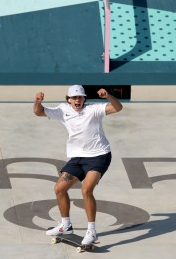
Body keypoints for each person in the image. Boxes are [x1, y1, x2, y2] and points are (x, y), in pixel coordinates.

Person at [33, 85, 123, 245]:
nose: (77, 100)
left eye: (80, 97)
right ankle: (65, 226)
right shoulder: (62, 110)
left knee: (86, 189)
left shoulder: (93, 110)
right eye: (74, 98)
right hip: (77, 157)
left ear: (84, 99)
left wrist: (108, 96)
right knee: (59, 189)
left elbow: (118, 108)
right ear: (68, 100)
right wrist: (37, 102)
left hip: (99, 155)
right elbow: (38, 112)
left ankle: (92, 231)